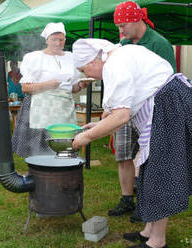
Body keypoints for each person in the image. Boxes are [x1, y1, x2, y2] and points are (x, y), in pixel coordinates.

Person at [72, 38, 191, 248]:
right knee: (145, 171)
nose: (86, 75)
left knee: (159, 175)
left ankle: (157, 242)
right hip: (165, 106)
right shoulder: (120, 55)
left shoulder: (114, 65)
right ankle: (148, 231)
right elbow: (118, 112)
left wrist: (87, 138)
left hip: (168, 109)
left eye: (84, 69)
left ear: (93, 62)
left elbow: (121, 117)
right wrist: (97, 127)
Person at [102, 1, 178, 220]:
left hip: (151, 112)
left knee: (148, 158)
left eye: (123, 25)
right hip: (125, 109)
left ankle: (145, 204)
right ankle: (127, 198)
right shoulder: (123, 44)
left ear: (138, 20)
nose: (120, 31)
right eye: (118, 26)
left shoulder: (159, 43)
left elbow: (168, 81)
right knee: (124, 155)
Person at [12, 22, 83, 158]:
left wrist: (80, 86)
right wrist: (47, 85)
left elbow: (72, 88)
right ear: (47, 40)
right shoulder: (34, 58)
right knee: (40, 150)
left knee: (64, 143)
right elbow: (25, 87)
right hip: (41, 108)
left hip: (64, 108)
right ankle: (41, 173)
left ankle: (63, 171)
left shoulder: (71, 58)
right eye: (54, 39)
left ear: (65, 40)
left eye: (61, 40)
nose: (58, 43)